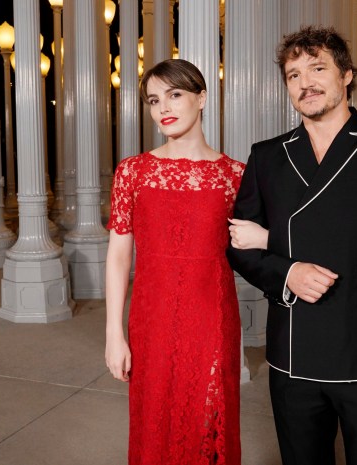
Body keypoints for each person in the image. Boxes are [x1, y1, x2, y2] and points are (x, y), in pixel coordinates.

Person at [227, 26, 357, 465]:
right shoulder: (268, 155)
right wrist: (287, 272)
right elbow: (238, 246)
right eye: (293, 74)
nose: (305, 82)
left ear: (346, 75)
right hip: (293, 354)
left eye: (318, 68)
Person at [105, 58, 245, 465]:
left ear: (202, 98)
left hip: (212, 320)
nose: (162, 108)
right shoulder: (132, 172)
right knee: (154, 424)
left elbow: (261, 249)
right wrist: (114, 333)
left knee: (209, 423)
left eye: (175, 94)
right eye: (153, 100)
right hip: (151, 320)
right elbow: (118, 256)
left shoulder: (234, 175)